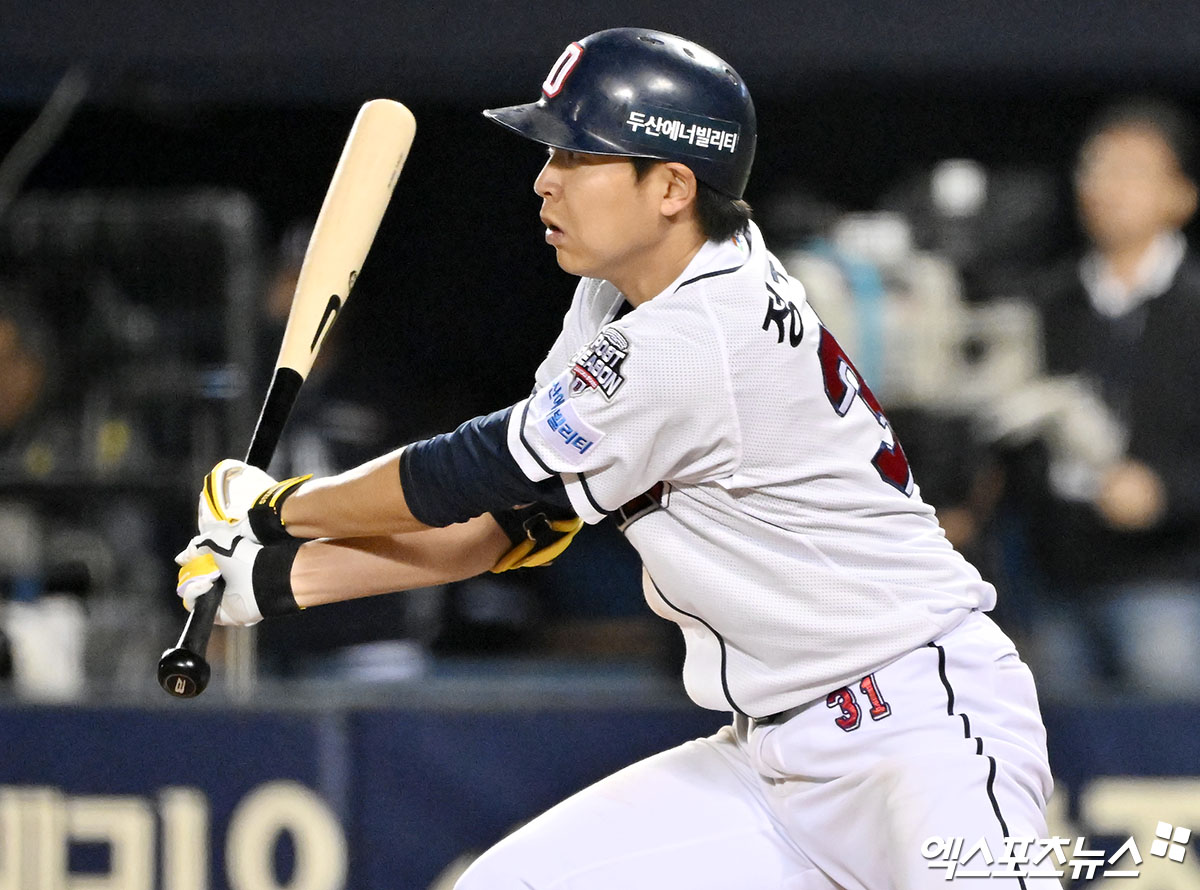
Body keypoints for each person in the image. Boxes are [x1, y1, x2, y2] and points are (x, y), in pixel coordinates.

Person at [176, 29, 1059, 888]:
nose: (542, 181)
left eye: (574, 157)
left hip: (919, 733)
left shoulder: (699, 332)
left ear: (673, 185)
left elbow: (469, 473)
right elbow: (515, 525)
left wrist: (274, 509)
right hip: (770, 757)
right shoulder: (622, 296)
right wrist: (276, 581)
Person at [998, 97, 1200, 698]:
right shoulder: (1043, 304)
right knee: (1057, 768)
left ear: (1181, 195)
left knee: (1167, 770)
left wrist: (1164, 492)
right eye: (1095, 167)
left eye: (1132, 171)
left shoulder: (1193, 309)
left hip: (1167, 583)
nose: (1106, 186)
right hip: (1054, 583)